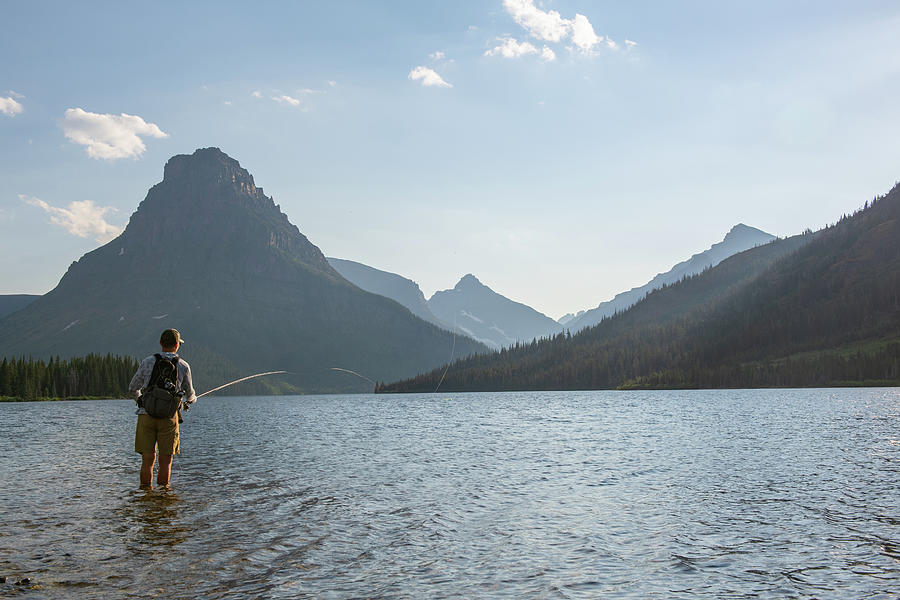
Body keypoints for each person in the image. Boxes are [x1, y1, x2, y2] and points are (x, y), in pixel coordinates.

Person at [128, 328, 196, 490]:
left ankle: (145, 494)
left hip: (146, 415)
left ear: (161, 343)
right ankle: (163, 496)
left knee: (147, 459)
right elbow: (190, 395)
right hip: (169, 417)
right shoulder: (183, 366)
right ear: (177, 345)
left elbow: (132, 388)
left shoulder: (147, 362)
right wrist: (191, 400)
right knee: (165, 461)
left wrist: (140, 400)